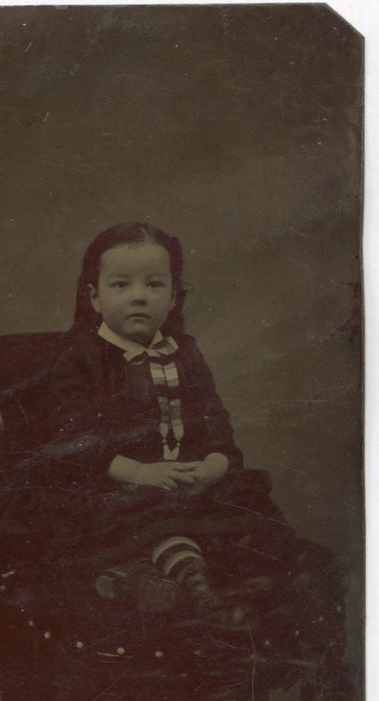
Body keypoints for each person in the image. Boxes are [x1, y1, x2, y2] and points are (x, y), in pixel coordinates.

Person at [46, 222, 345, 648]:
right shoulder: (81, 359)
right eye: (120, 284)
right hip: (122, 489)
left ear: (173, 295)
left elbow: (217, 426)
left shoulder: (185, 354)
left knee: (249, 510)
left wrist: (213, 465)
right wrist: (141, 472)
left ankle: (252, 588)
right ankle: (190, 593)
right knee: (158, 525)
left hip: (189, 487)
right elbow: (74, 441)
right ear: (94, 296)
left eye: (154, 284)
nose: (138, 295)